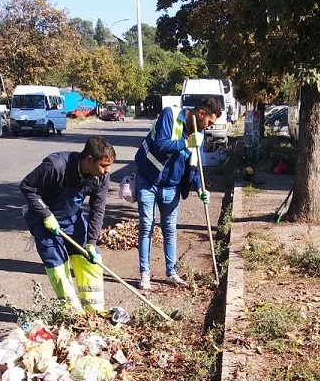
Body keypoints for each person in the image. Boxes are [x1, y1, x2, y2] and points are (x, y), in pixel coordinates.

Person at [134, 96, 222, 290]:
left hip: (171, 187)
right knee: (147, 226)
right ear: (201, 114)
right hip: (148, 181)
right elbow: (160, 145)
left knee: (170, 229)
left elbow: (194, 164)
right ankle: (145, 273)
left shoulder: (199, 135)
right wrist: (186, 143)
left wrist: (200, 188)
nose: (209, 126)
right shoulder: (170, 115)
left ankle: (171, 273)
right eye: (209, 122)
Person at [20, 136, 116, 312]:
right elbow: (27, 186)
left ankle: (94, 312)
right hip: (43, 220)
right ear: (89, 160)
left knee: (89, 260)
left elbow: (98, 209)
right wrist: (46, 214)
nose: (107, 171)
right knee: (57, 266)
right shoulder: (56, 166)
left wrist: (91, 242)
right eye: (103, 165)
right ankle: (73, 314)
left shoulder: (101, 177)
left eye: (109, 166)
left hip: (71, 217)